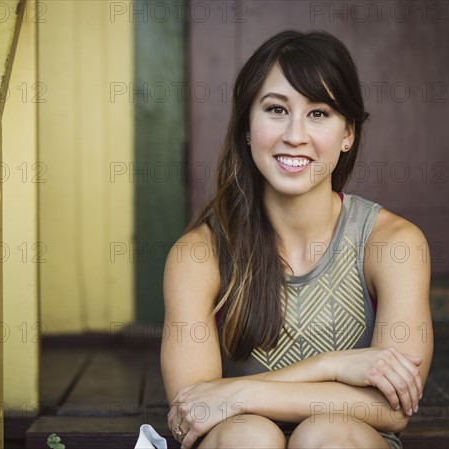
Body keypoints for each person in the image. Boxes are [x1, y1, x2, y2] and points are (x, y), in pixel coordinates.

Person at [161, 30, 433, 449]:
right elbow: (192, 408)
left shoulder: (394, 243)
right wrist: (335, 366)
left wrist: (243, 392)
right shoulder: (198, 255)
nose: (295, 134)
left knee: (326, 434)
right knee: (248, 436)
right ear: (247, 127)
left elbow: (392, 409)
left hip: (344, 442)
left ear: (349, 134)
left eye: (319, 113)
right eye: (275, 109)